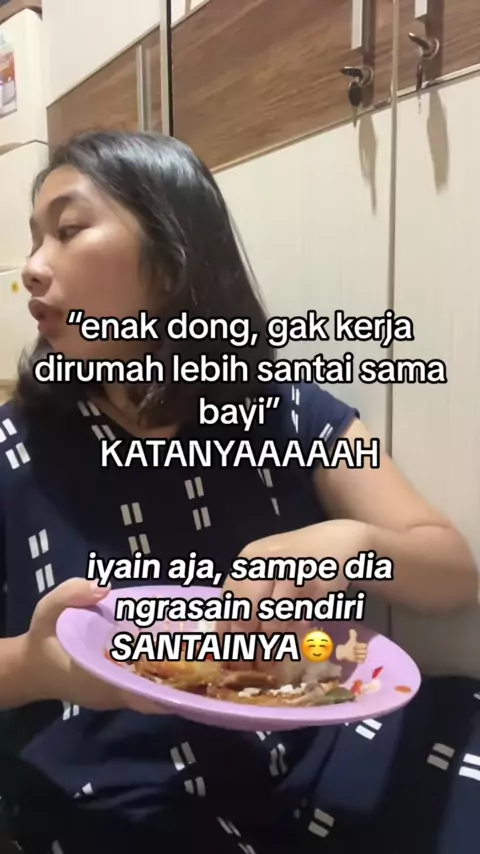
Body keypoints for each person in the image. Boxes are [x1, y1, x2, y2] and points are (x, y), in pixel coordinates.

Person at [0, 130, 478, 854]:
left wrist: (355, 544)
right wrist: (35, 669)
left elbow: (453, 573)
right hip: (113, 783)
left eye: (66, 231)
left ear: (172, 259)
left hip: (318, 734)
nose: (33, 268)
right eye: (35, 239)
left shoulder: (288, 411)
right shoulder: (15, 446)